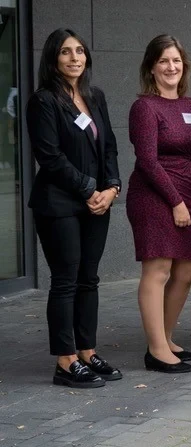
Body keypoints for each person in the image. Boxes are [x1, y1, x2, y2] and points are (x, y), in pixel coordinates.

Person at [28, 29, 122, 388]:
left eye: (80, 51)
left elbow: (109, 146)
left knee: (89, 279)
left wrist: (111, 187)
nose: (74, 58)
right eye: (66, 52)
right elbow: (49, 157)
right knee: (65, 281)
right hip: (59, 204)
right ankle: (65, 361)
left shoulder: (94, 96)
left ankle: (86, 351)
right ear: (53, 59)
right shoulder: (43, 101)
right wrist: (88, 189)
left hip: (98, 202)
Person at [128, 35, 191, 374]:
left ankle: (166, 337)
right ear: (151, 67)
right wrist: (175, 201)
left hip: (189, 195)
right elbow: (147, 160)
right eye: (163, 61)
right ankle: (157, 351)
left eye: (176, 61)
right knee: (157, 271)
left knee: (187, 270)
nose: (171, 67)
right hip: (154, 195)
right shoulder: (145, 107)